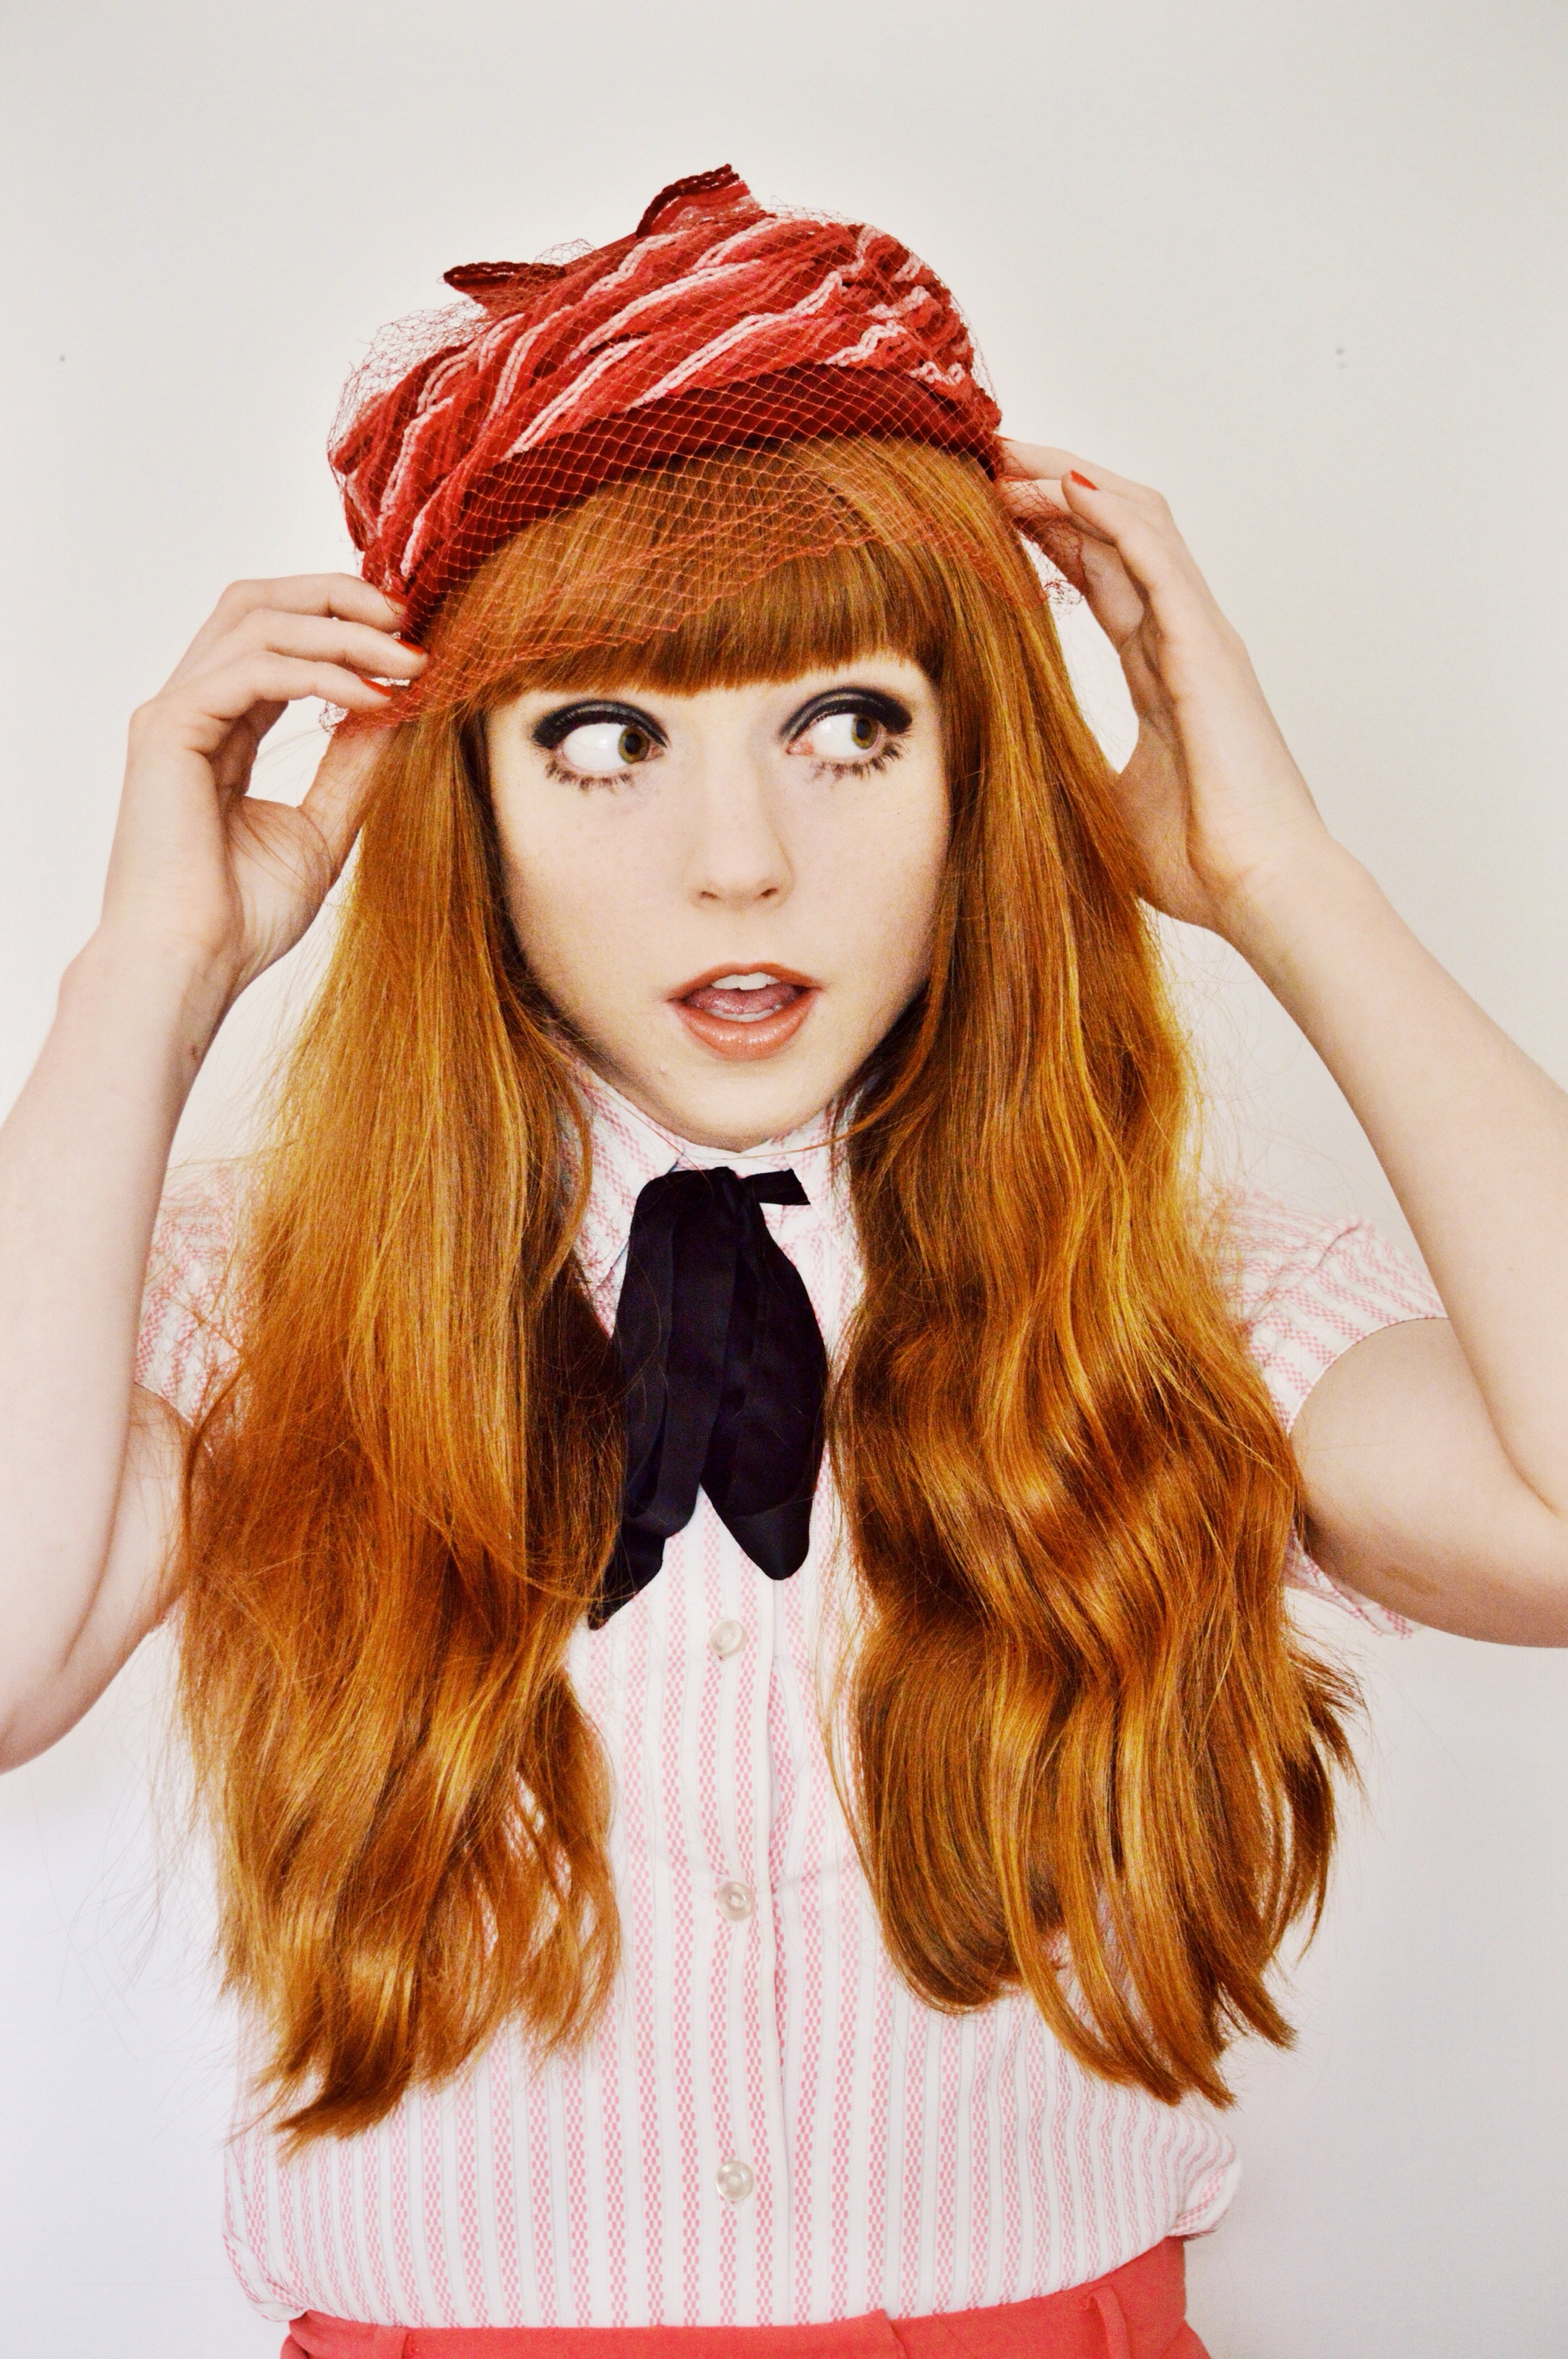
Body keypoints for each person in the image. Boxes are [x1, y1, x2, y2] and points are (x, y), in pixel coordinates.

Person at [1, 165, 1565, 2359]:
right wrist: (147, 981)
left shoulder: (1173, 1287)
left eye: (849, 729)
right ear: (463, 803)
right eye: (604, 742)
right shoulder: (263, 1290)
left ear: (974, 775)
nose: (739, 862)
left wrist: (1280, 878)